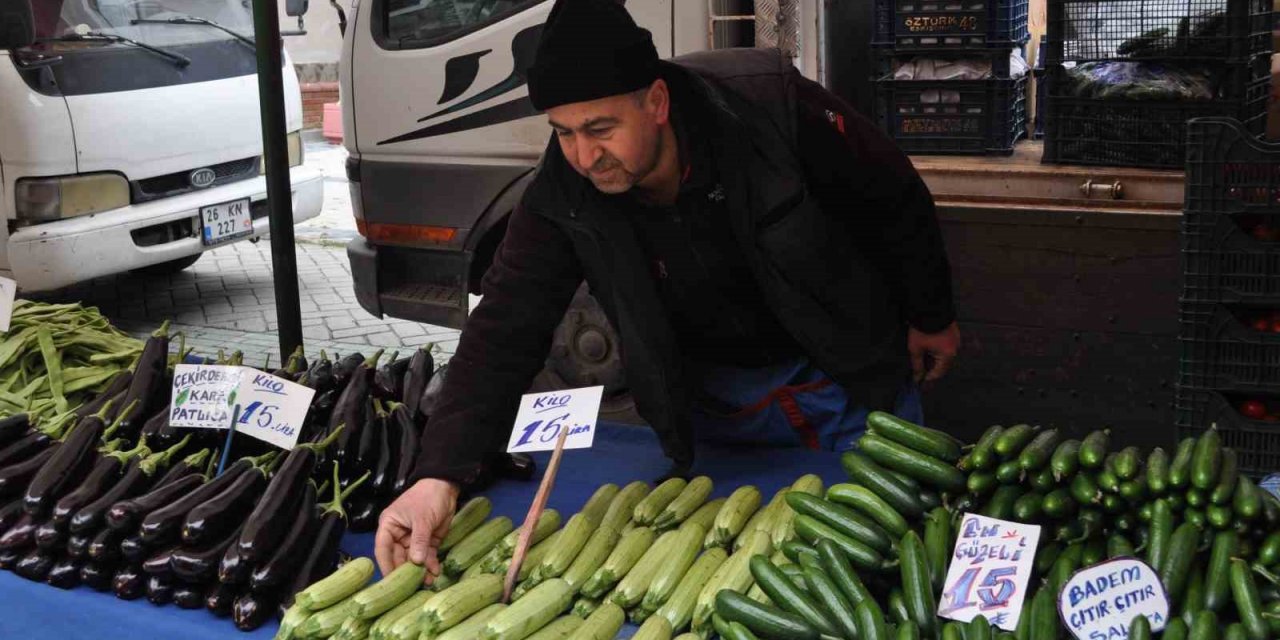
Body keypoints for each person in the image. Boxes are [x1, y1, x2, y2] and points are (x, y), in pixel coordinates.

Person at [374, 0, 960, 581]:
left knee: (888, 561)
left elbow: (893, 195)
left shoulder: (770, 108)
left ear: (656, 102)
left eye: (600, 129)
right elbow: (506, 320)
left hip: (840, 378)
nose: (583, 156)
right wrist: (439, 474)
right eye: (565, 133)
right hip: (713, 409)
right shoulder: (564, 186)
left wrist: (930, 313)